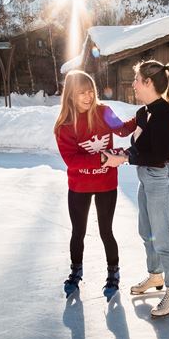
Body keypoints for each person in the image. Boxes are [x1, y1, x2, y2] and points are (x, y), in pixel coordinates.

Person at [103, 60, 169, 318]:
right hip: (148, 177)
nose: (134, 85)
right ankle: (155, 277)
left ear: (149, 82)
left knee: (165, 238)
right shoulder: (144, 112)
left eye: (137, 80)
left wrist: (125, 159)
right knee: (147, 232)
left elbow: (160, 154)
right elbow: (141, 149)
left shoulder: (165, 114)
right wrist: (120, 153)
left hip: (165, 178)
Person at [54, 70, 136, 301]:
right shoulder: (65, 126)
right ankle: (75, 271)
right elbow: (72, 160)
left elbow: (122, 129)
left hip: (105, 183)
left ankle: (113, 272)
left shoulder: (103, 112)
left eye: (91, 91)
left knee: (105, 231)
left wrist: (143, 114)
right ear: (71, 94)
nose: (88, 96)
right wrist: (103, 158)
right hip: (79, 186)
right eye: (82, 92)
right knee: (78, 232)